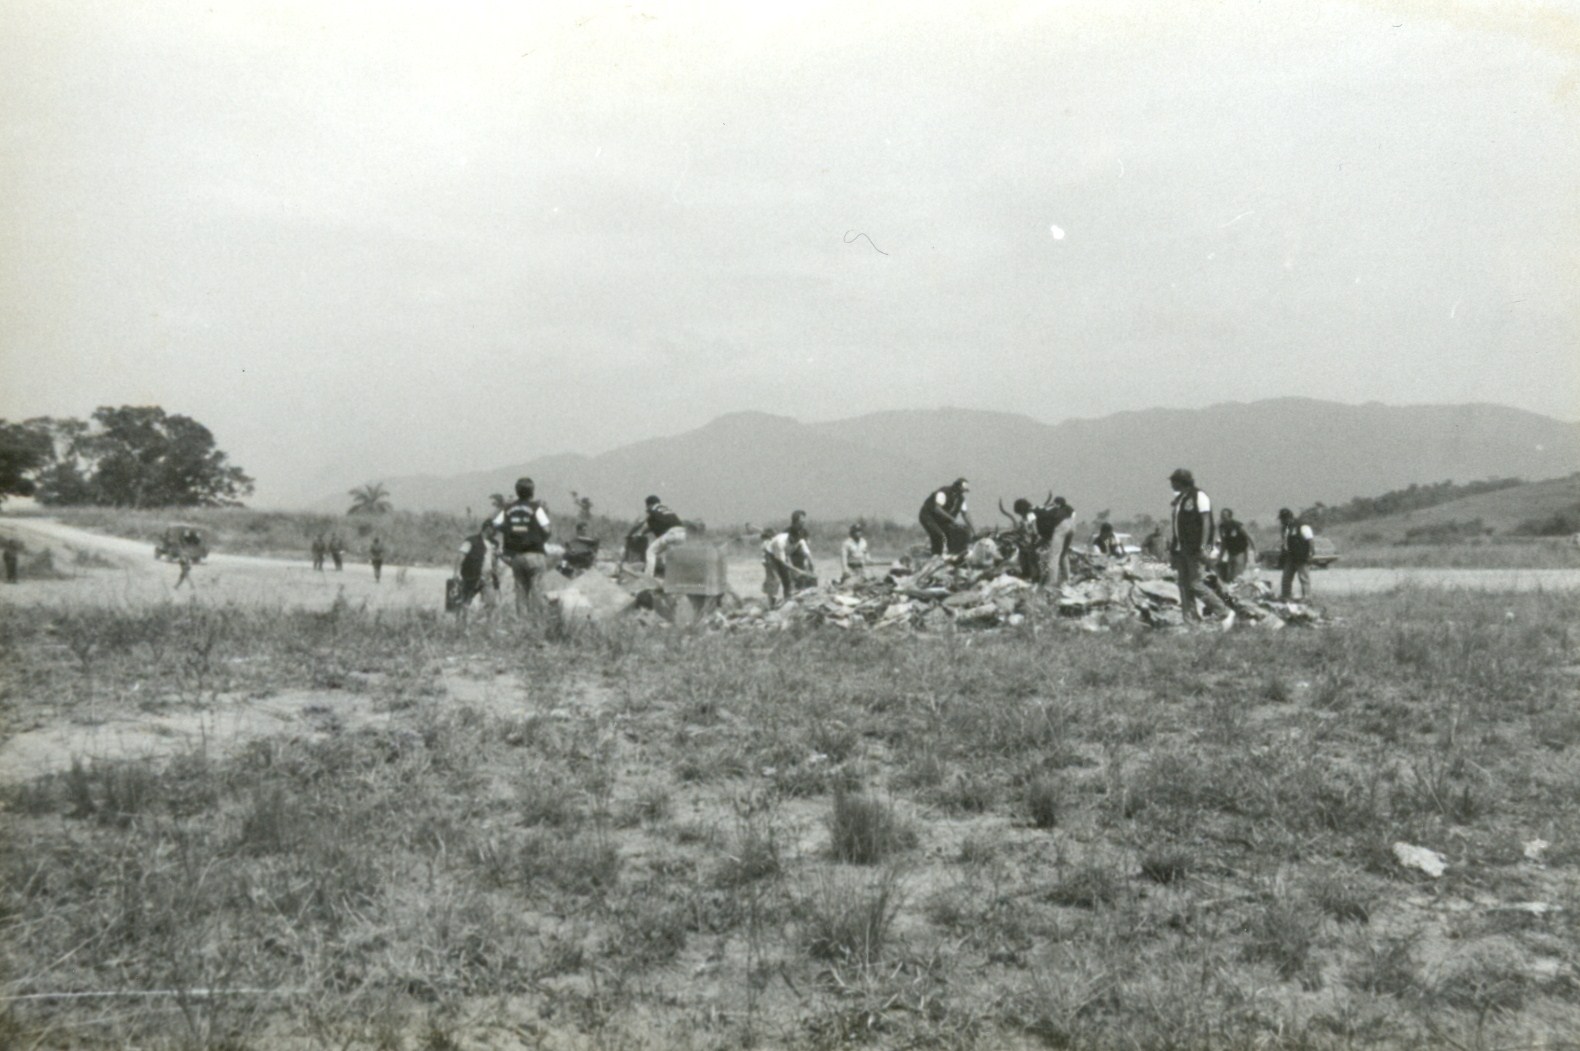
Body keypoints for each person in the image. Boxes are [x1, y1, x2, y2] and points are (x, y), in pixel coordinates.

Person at [1168, 468, 1233, 628]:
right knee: (1184, 586)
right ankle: (1191, 621)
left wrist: (1205, 548)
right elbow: (1177, 527)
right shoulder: (1181, 500)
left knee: (1196, 583)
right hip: (1181, 549)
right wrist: (1173, 551)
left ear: (1181, 481)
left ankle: (1224, 612)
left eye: (1174, 481)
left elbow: (1207, 524)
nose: (1171, 484)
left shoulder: (1199, 496)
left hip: (1195, 549)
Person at [487, 477, 553, 615]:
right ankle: (537, 621)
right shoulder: (535, 508)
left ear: (517, 491)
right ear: (532, 492)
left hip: (516, 556)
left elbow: (495, 525)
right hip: (535, 554)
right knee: (537, 590)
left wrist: (509, 532)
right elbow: (547, 530)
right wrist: (541, 539)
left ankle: (522, 622)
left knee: (520, 591)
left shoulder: (508, 508)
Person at [919, 478, 975, 557]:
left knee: (960, 532)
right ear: (956, 487)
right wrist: (952, 519)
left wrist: (973, 530)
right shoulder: (943, 492)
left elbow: (965, 514)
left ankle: (954, 553)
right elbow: (937, 509)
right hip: (928, 517)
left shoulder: (960, 499)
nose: (962, 493)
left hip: (942, 520)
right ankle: (936, 555)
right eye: (961, 490)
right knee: (939, 535)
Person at [632, 495, 686, 577]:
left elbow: (640, 522)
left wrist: (632, 533)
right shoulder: (666, 509)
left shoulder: (652, 510)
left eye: (647, 506)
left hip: (671, 534)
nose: (646, 508)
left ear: (649, 504)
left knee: (651, 552)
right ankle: (673, 577)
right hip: (682, 534)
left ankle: (647, 577)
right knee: (670, 555)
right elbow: (651, 527)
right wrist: (641, 533)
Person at [1277, 508, 1315, 601]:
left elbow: (1310, 540)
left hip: (1301, 556)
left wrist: (1310, 553)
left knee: (1303, 577)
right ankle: (1286, 596)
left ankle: (1307, 597)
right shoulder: (1285, 528)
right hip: (1290, 556)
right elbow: (1284, 542)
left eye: (1283, 519)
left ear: (1288, 518)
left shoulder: (1302, 526)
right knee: (1286, 578)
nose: (1282, 521)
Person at [454, 525, 493, 612]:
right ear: (488, 528)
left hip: (487, 577)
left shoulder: (492, 543)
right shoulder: (471, 540)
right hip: (472, 575)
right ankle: (462, 619)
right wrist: (456, 572)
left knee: (489, 602)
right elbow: (461, 555)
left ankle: (484, 619)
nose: (496, 532)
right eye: (494, 529)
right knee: (466, 601)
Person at [1217, 509, 1255, 583]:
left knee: (1237, 576)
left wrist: (1253, 550)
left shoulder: (1237, 525)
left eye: (1224, 515)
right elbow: (1223, 543)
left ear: (1229, 516)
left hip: (1240, 552)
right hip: (1231, 552)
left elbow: (1248, 536)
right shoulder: (1222, 527)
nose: (1222, 517)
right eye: (1221, 515)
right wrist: (1220, 558)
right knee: (1229, 576)